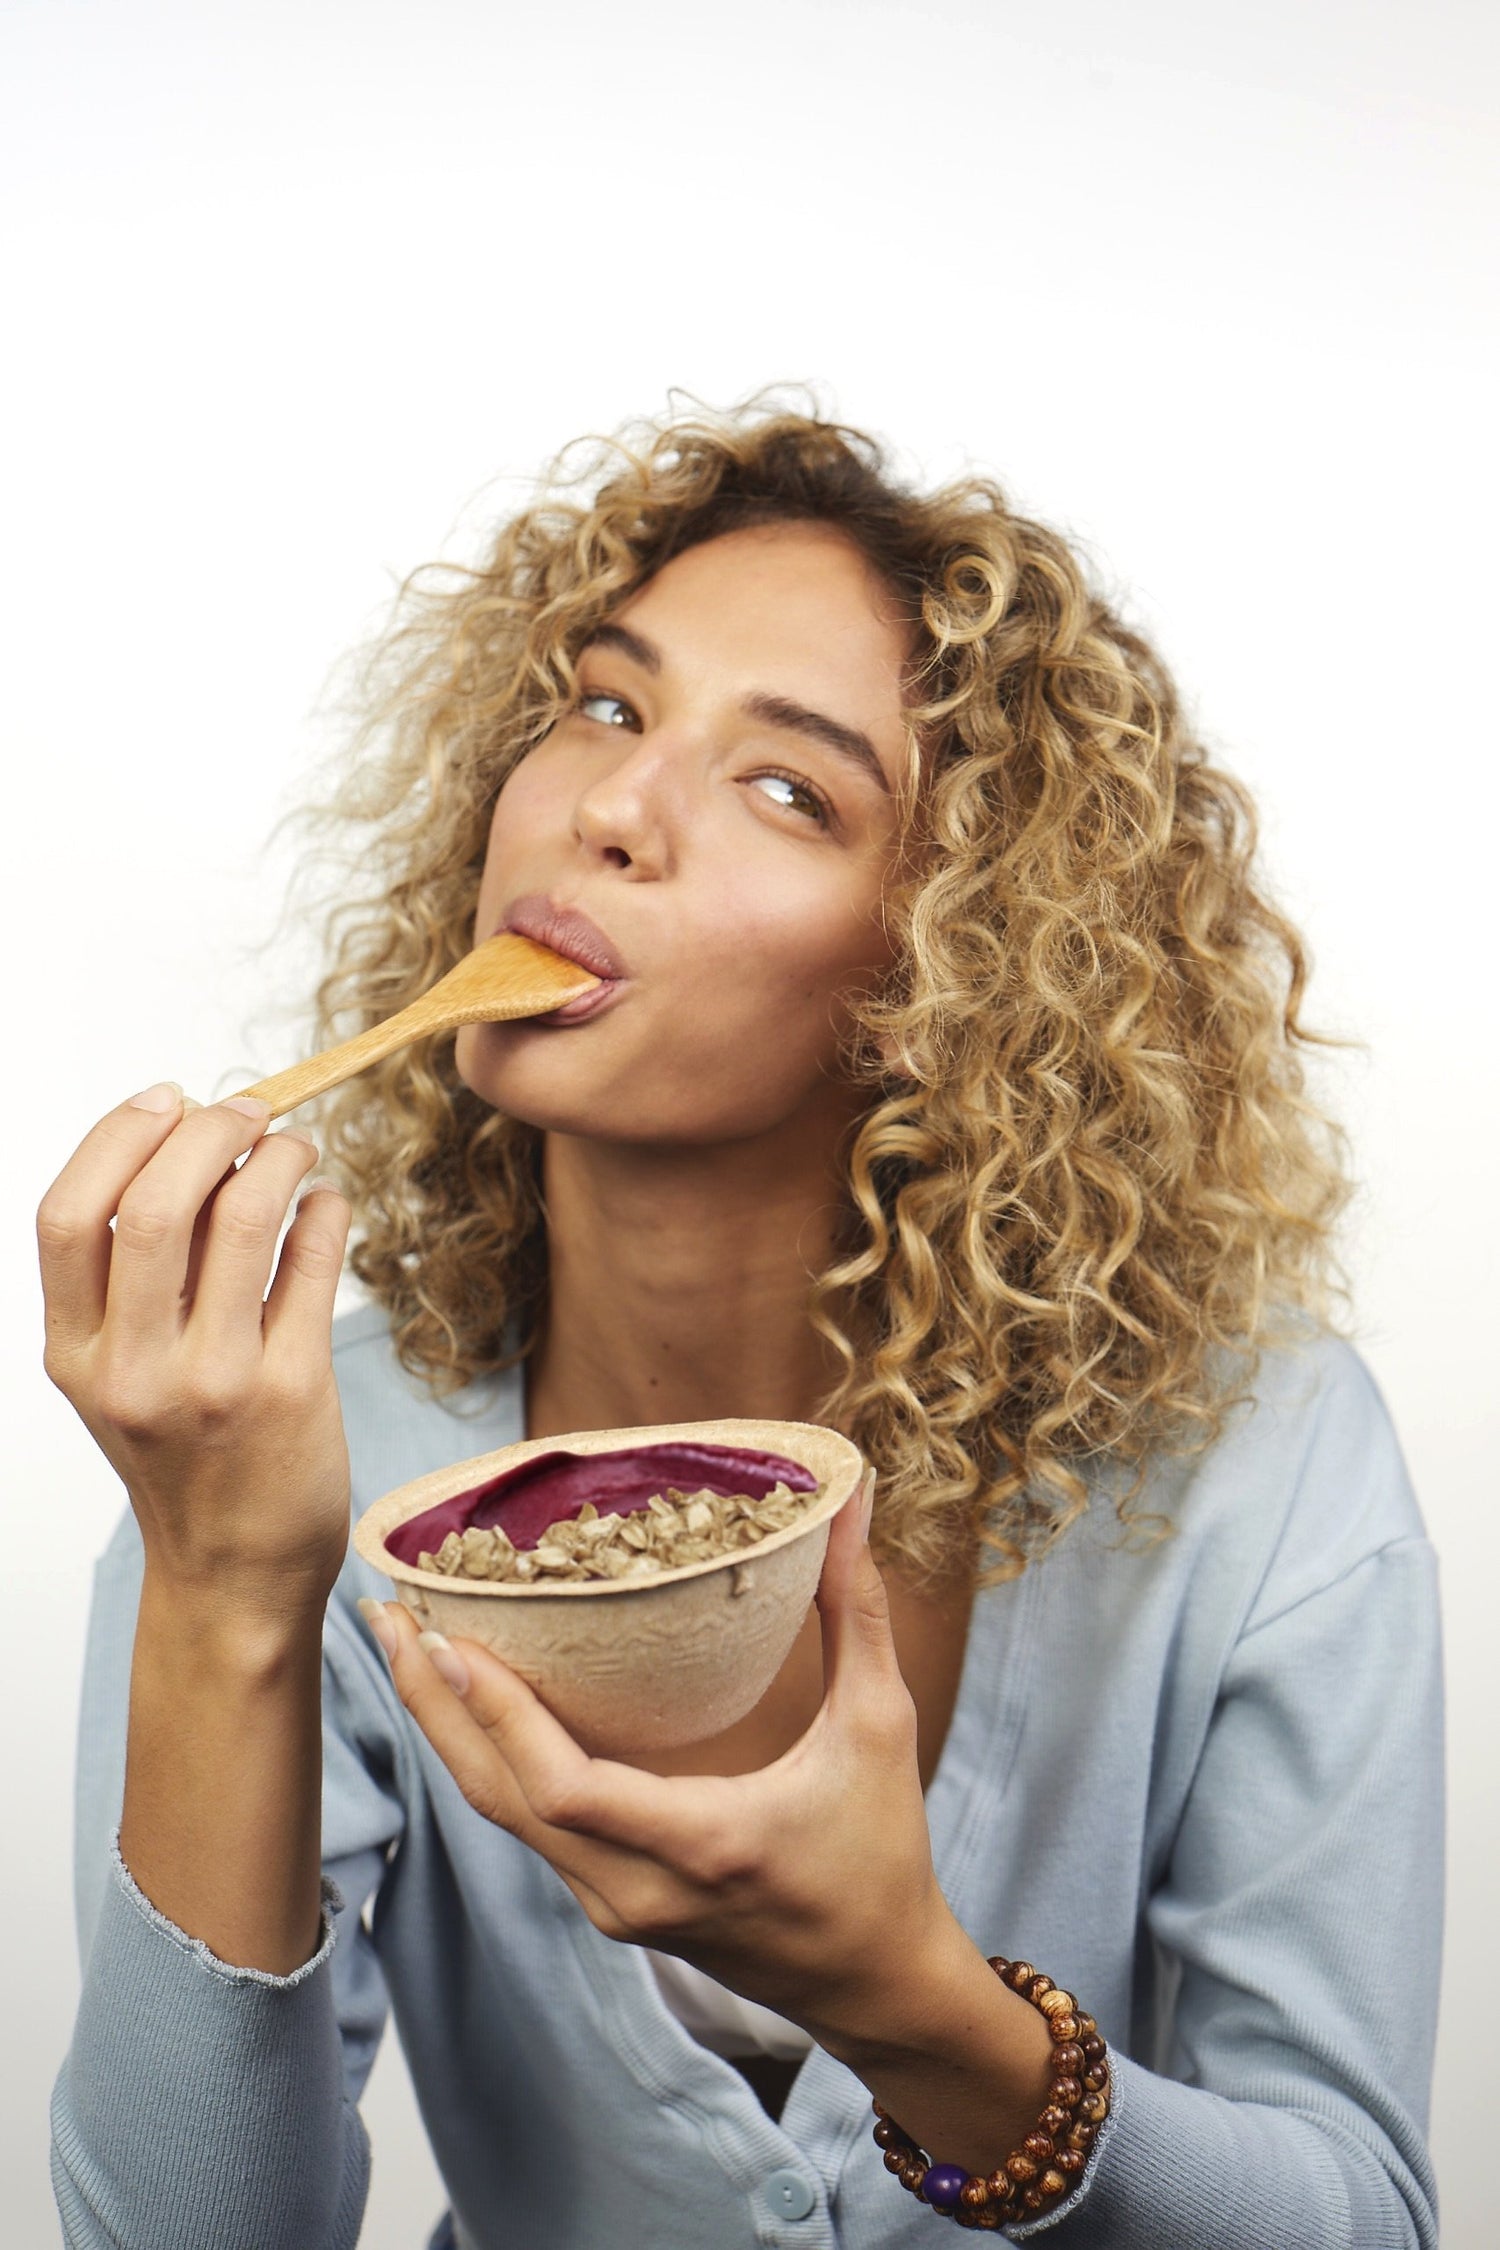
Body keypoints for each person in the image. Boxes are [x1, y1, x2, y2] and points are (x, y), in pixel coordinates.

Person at [42, 403, 1441, 2248]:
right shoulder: (289, 1464)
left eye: (792, 788)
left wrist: (922, 2011)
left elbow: (1361, 2213)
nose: (612, 807)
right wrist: (223, 1594)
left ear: (953, 970)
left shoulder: (1258, 1466)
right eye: (609, 705)